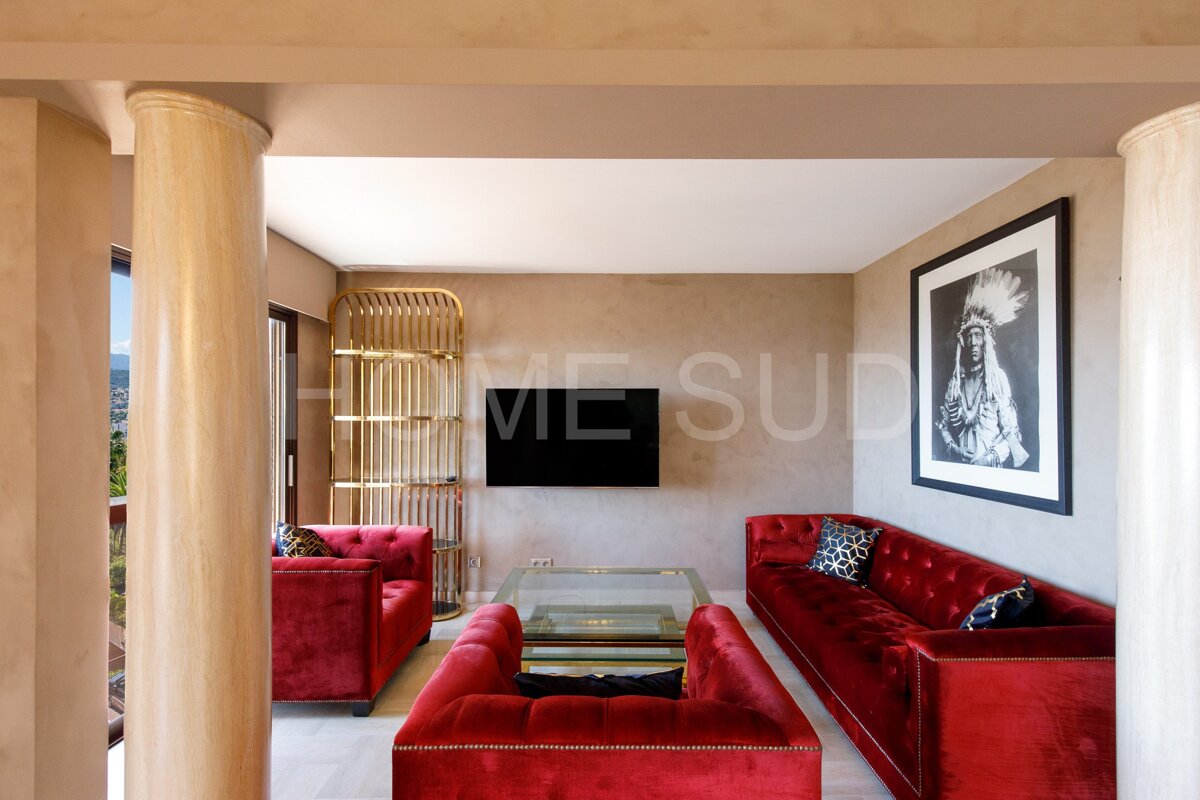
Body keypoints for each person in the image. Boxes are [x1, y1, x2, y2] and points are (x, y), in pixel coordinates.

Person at [937, 267, 1030, 468]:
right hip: (958, 469)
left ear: (985, 341)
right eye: (969, 336)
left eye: (978, 335)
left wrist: (986, 459)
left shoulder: (997, 380)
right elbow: (944, 424)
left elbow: (1011, 435)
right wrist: (954, 448)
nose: (973, 342)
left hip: (989, 472)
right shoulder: (955, 384)